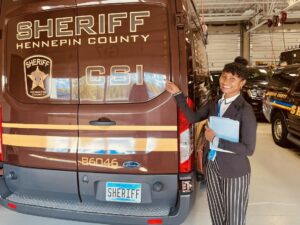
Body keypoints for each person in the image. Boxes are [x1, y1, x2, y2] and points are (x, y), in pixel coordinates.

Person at [166, 62, 257, 225]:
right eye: (224, 76)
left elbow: (248, 149)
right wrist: (178, 95)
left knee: (234, 217)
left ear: (242, 83)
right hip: (212, 166)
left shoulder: (245, 110)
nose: (225, 81)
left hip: (234, 171)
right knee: (216, 211)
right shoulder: (216, 103)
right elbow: (193, 118)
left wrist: (216, 140)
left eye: (232, 78)